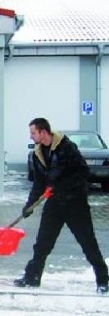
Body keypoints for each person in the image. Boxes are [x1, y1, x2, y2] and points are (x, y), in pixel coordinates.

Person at [15, 117, 108, 294]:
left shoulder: (66, 148)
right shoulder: (38, 153)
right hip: (55, 204)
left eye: (33, 132)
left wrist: (60, 186)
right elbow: (39, 183)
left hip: (75, 204)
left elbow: (82, 172)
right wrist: (30, 206)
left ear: (43, 132)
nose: (31, 136)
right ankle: (32, 277)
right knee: (42, 243)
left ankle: (103, 280)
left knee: (88, 243)